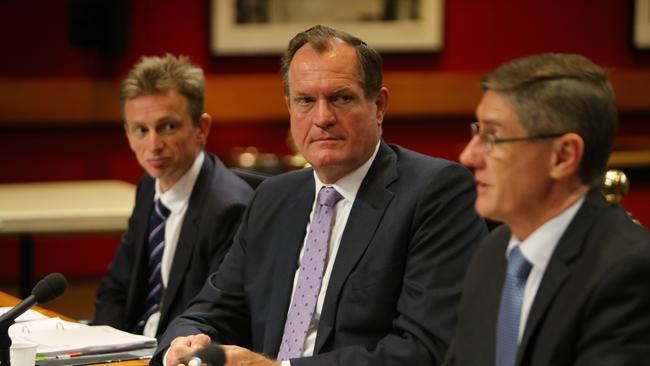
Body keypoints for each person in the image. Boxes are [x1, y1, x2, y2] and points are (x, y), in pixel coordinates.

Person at [152, 25, 487, 366]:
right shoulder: (273, 197)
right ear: (289, 108)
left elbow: (425, 351)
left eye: (341, 98)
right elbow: (211, 309)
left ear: (379, 105)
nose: (322, 118)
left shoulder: (435, 192)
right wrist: (182, 346)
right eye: (306, 101)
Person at [445, 53, 650, 366]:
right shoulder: (492, 251)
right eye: (477, 132)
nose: (468, 156)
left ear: (563, 156)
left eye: (493, 137)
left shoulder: (628, 270)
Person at [94, 54, 253, 338]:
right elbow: (115, 289)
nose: (153, 145)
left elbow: (215, 316)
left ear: (201, 129)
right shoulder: (148, 187)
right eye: (141, 130)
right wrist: (109, 349)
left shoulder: (228, 208)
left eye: (168, 127)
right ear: (128, 135)